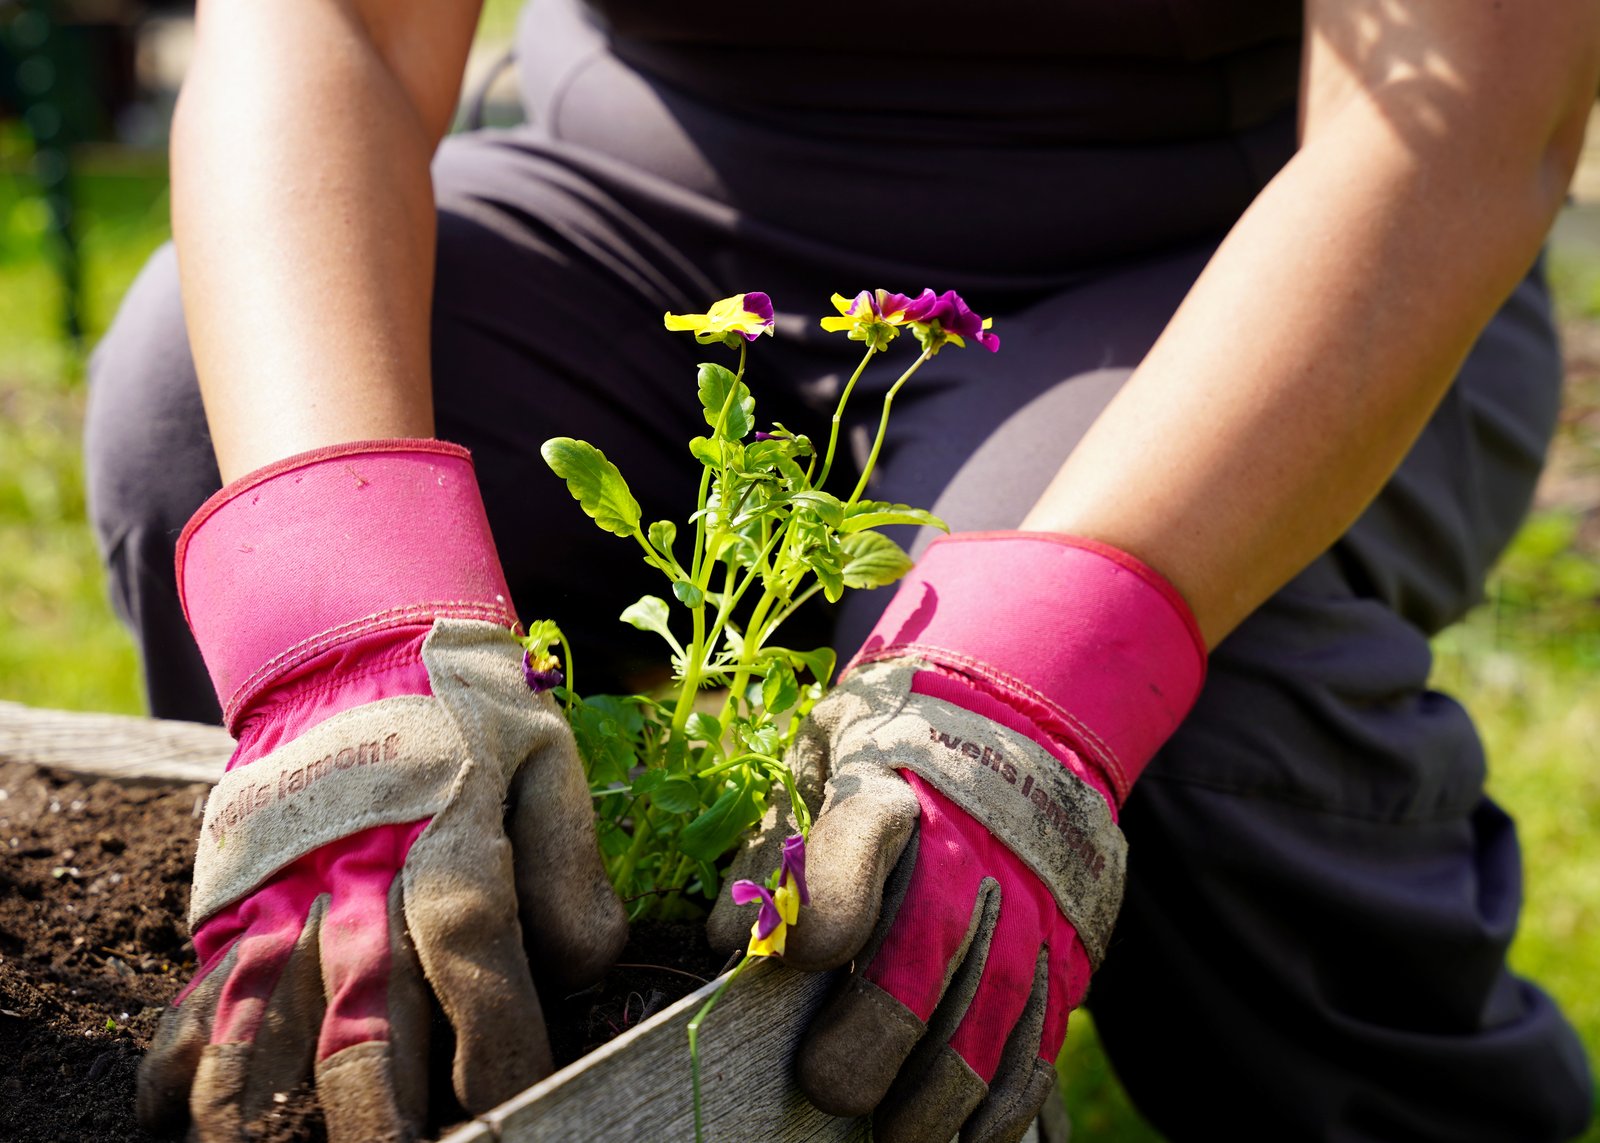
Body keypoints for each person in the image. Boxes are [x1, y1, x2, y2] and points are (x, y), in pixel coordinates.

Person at [85, 0, 1599, 1139]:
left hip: (1238, 246)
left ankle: (1394, 1089)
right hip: (655, 210)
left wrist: (1056, 674)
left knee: (1152, 686)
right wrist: (349, 635)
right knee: (190, 411)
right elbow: (326, 28)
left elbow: (1461, 126)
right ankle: (431, 1042)